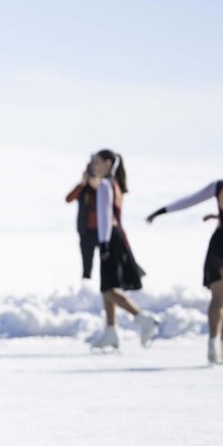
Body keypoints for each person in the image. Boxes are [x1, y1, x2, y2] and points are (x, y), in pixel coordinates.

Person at [147, 150, 223, 363]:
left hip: (220, 243)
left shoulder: (219, 187)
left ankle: (212, 344)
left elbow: (189, 200)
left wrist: (160, 211)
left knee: (218, 298)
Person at [88, 149, 159, 351]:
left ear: (108, 163)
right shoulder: (115, 184)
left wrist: (103, 244)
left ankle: (142, 318)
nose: (93, 166)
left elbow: (104, 216)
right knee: (108, 286)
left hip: (109, 237)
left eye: (97, 162)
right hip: (117, 236)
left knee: (108, 289)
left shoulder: (104, 184)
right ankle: (111, 330)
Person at [66, 167, 100, 279]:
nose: (92, 179)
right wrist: (82, 184)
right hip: (85, 231)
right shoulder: (82, 189)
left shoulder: (102, 190)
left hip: (101, 232)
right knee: (86, 261)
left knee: (107, 261)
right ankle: (86, 286)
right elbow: (68, 199)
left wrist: (97, 185)